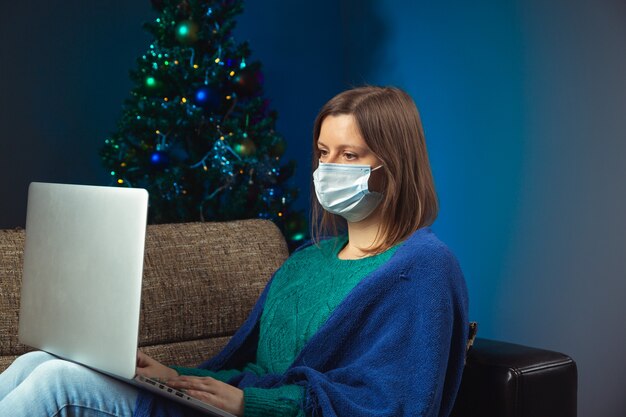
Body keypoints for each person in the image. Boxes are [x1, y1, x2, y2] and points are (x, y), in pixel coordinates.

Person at [0, 85, 469, 417]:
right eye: (323, 153)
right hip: (238, 409)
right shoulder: (305, 261)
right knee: (37, 362)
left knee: (56, 383)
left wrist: (254, 405)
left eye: (350, 155)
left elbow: (397, 403)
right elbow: (253, 370)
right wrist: (170, 373)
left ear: (393, 167)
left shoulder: (420, 267)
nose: (329, 168)